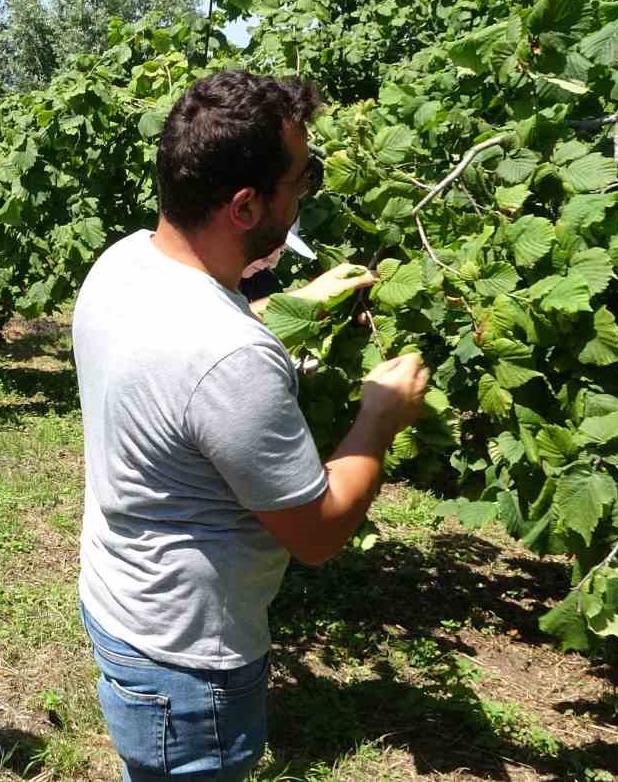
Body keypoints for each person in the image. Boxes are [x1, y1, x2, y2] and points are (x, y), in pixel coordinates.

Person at [71, 70, 429, 782]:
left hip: (122, 600)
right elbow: (319, 531)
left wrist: (293, 303)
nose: (306, 193)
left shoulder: (125, 263)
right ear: (245, 205)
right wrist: (378, 420)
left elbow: (185, 354)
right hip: (189, 660)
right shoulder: (228, 358)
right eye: (302, 178)